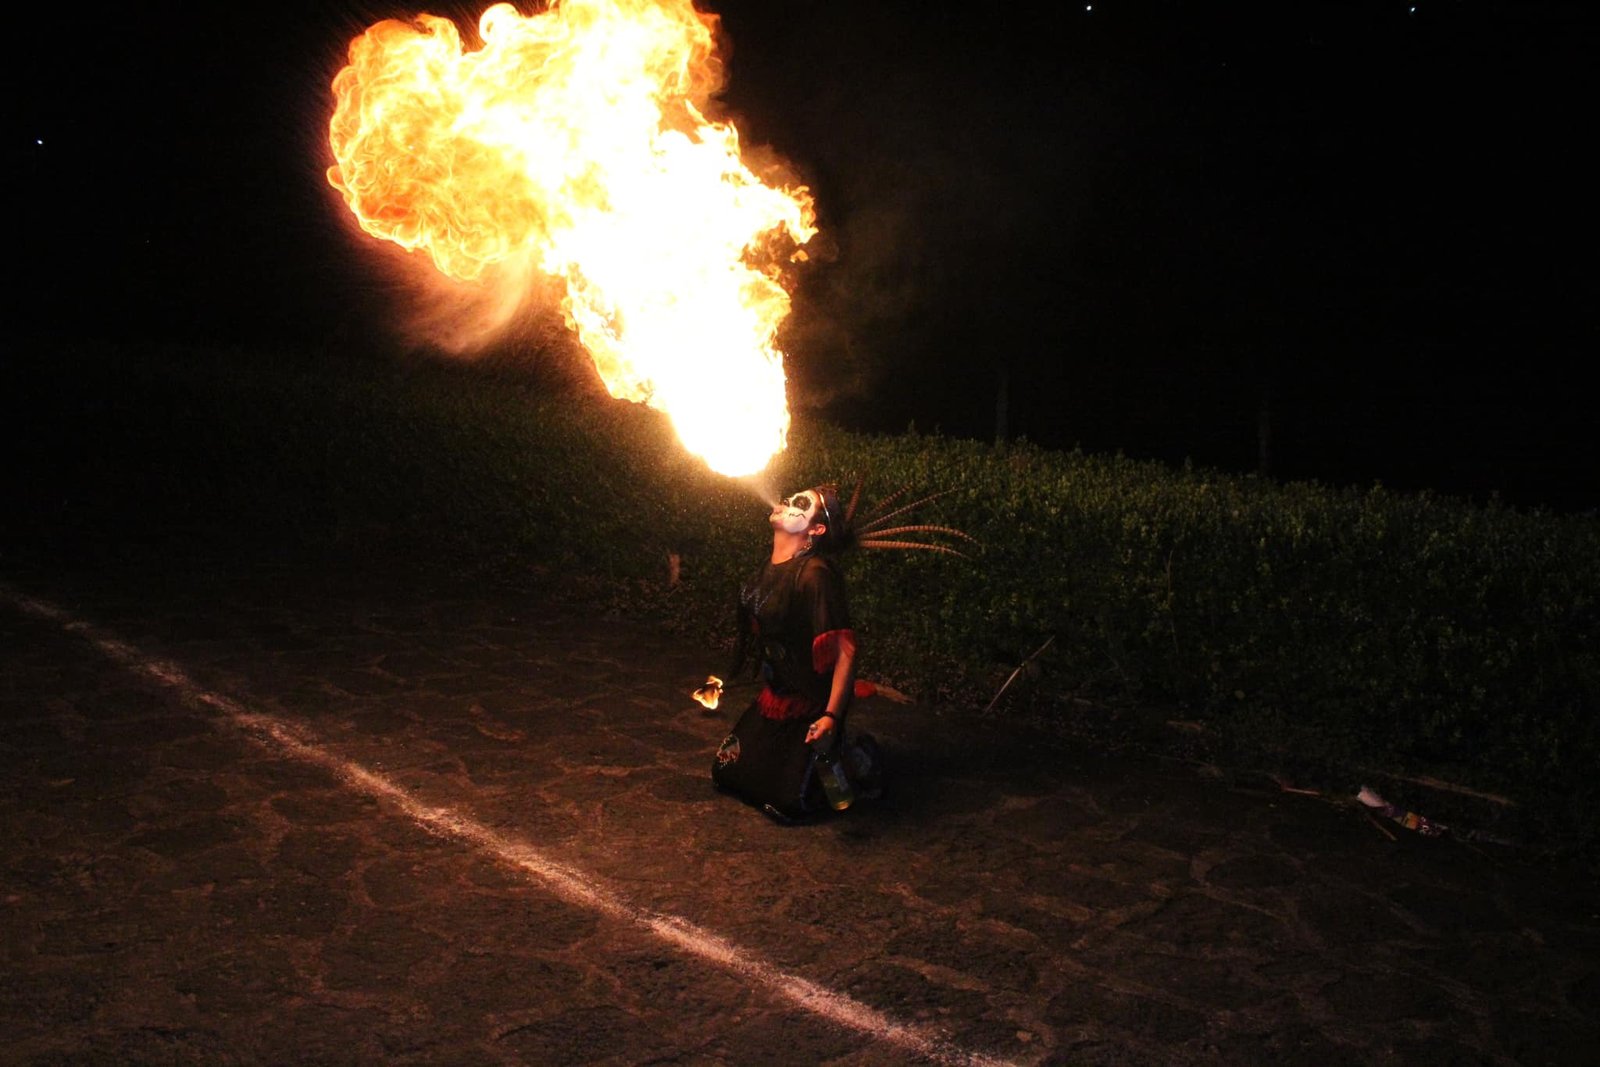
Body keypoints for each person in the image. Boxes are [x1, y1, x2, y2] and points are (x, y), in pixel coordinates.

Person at [710, 483, 882, 822]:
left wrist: (831, 717)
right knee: (727, 773)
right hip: (775, 698)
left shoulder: (816, 574)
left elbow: (846, 651)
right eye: (790, 498)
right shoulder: (768, 568)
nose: (787, 502)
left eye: (800, 503)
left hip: (811, 706)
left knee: (789, 802)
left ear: (816, 529)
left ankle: (854, 753)